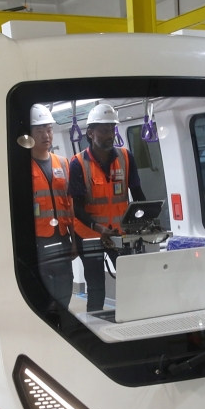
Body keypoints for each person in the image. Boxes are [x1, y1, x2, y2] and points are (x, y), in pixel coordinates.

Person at [68, 103, 145, 312]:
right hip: (90, 234)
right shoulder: (77, 164)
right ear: (90, 133)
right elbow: (76, 208)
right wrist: (99, 229)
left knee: (132, 281)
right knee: (96, 287)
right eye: (104, 130)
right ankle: (94, 332)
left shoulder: (126, 157)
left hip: (118, 232)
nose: (110, 134)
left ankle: (131, 321)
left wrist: (146, 219)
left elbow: (137, 193)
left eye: (112, 129)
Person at [29, 104, 75, 307]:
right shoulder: (20, 167)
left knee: (65, 292)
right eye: (39, 131)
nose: (46, 135)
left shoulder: (63, 163)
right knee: (43, 295)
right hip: (37, 241)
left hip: (63, 238)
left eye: (48, 130)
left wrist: (74, 240)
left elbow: (70, 204)